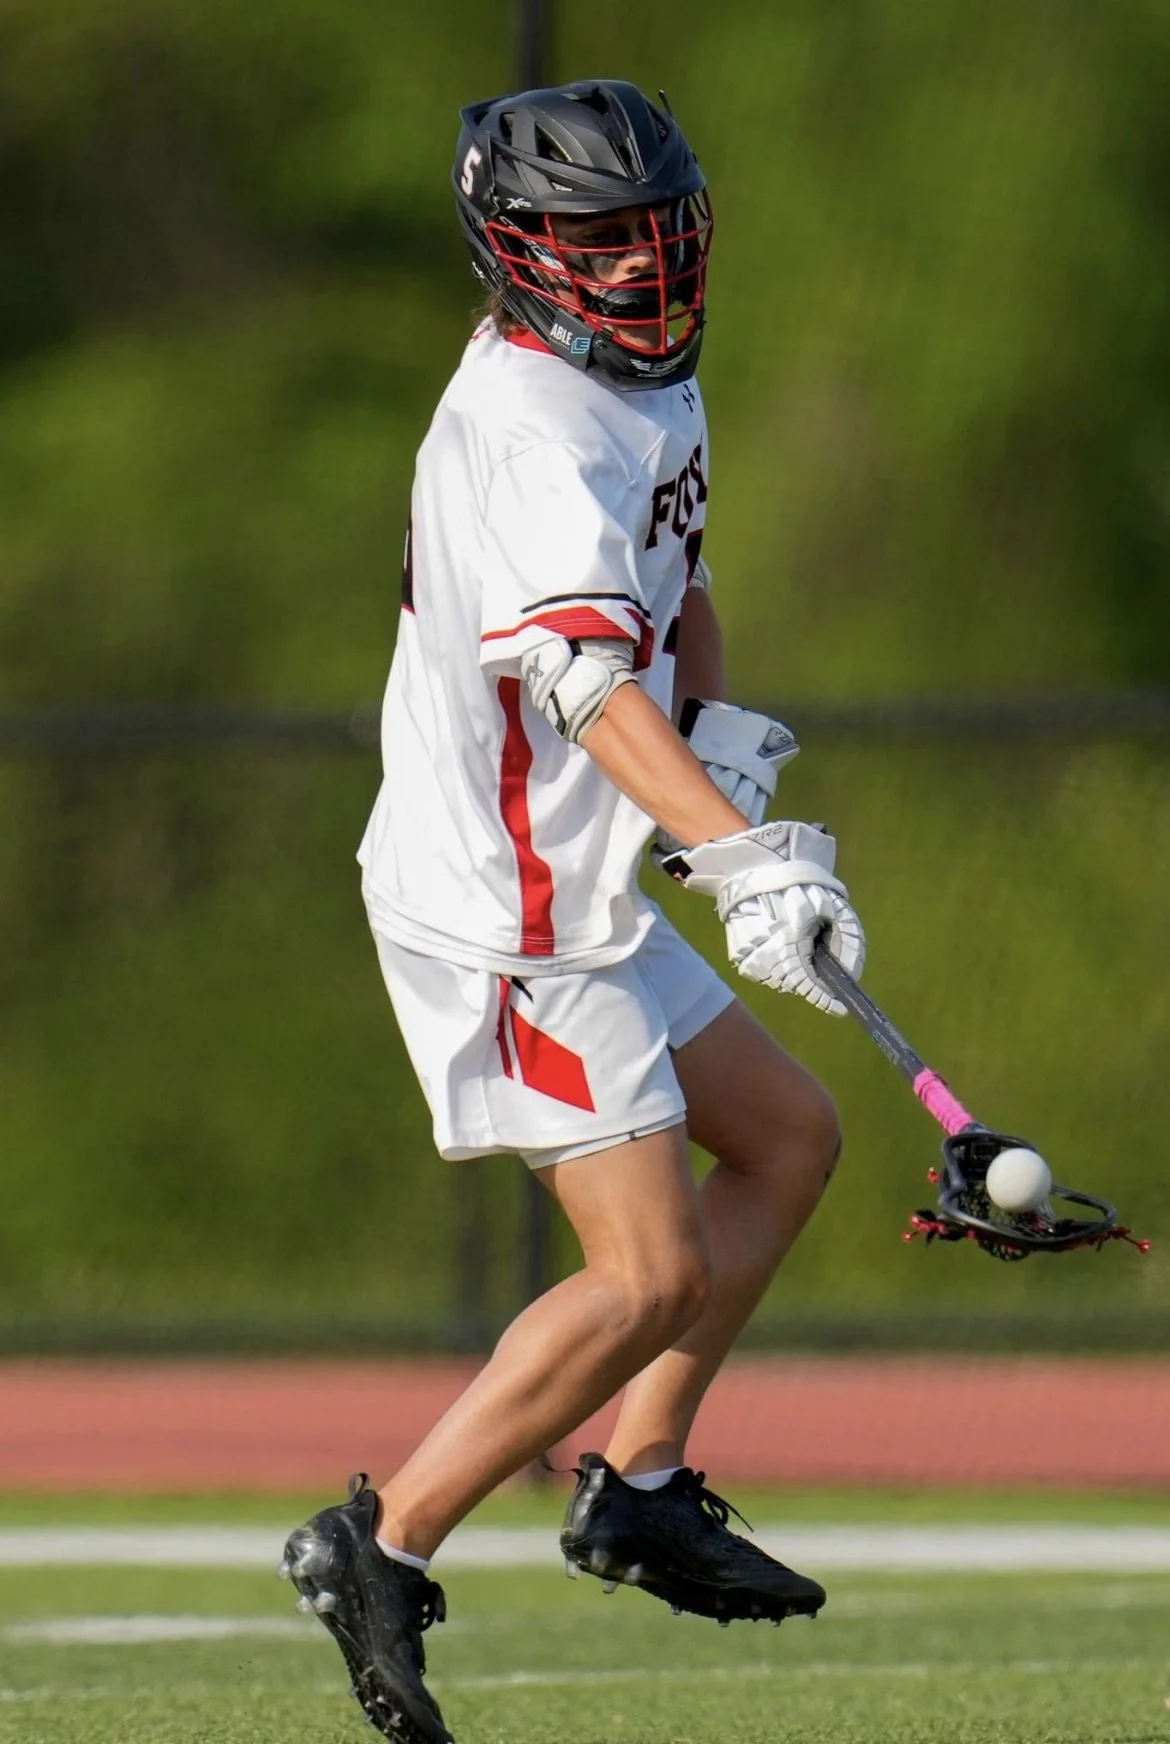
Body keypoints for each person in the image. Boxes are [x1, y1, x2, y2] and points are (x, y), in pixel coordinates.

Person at [279, 78, 866, 1744]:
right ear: (516, 250)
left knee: (789, 1138)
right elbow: (580, 669)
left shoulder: (643, 388)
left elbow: (675, 595)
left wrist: (716, 780)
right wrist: (742, 865)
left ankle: (638, 1480)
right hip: (510, 903)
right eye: (587, 242)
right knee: (648, 1269)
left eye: (648, 234)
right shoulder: (530, 422)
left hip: (585, 876)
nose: (627, 271)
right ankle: (376, 1545)